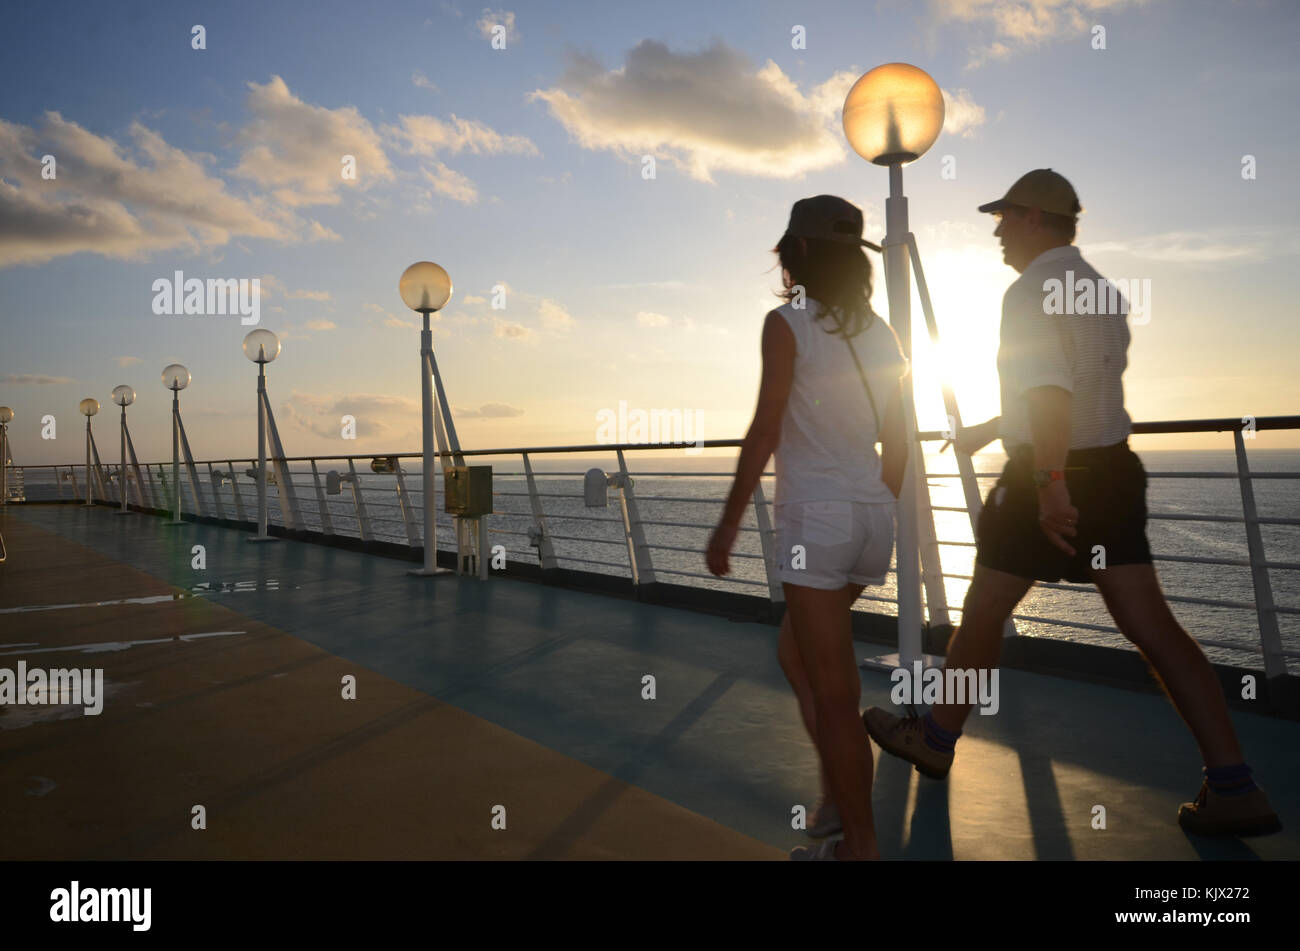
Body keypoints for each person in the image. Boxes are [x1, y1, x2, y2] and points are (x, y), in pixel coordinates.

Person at [863, 169, 1281, 837]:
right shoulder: (1103, 291)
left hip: (1048, 478)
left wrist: (1050, 482)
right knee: (1155, 630)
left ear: (1032, 217)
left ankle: (935, 740)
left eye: (1004, 218)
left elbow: (1053, 398)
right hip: (1112, 473)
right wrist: (992, 429)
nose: (997, 232)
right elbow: (1076, 390)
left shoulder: (1027, 293)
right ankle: (1234, 782)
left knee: (983, 615)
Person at [706, 195, 908, 860]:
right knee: (797, 656)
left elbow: (766, 427)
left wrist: (727, 526)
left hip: (814, 522)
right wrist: (872, 505)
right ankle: (832, 799)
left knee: (836, 688)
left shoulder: (786, 322)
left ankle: (860, 845)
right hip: (871, 517)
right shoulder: (883, 335)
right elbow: (900, 441)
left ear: (795, 253)